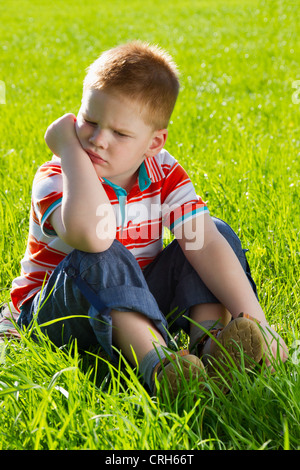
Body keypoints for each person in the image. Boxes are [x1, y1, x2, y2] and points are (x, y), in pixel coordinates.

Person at [10, 41, 288, 397]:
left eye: (120, 133)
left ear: (154, 142)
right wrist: (68, 150)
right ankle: (162, 369)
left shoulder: (163, 171)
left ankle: (211, 347)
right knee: (103, 255)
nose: (97, 141)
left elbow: (203, 242)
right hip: (56, 315)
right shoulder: (59, 175)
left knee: (209, 233)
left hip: (136, 300)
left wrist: (260, 325)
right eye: (89, 122)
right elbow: (92, 239)